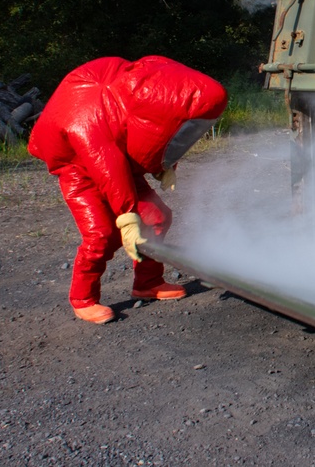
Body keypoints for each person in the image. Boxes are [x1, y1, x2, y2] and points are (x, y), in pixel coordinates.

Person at [28, 56, 228, 325]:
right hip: (76, 167)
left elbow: (161, 131)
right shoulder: (89, 119)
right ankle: (83, 299)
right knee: (101, 234)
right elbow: (106, 164)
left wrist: (165, 165)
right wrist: (127, 215)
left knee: (157, 217)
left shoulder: (132, 99)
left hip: (116, 164)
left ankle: (148, 282)